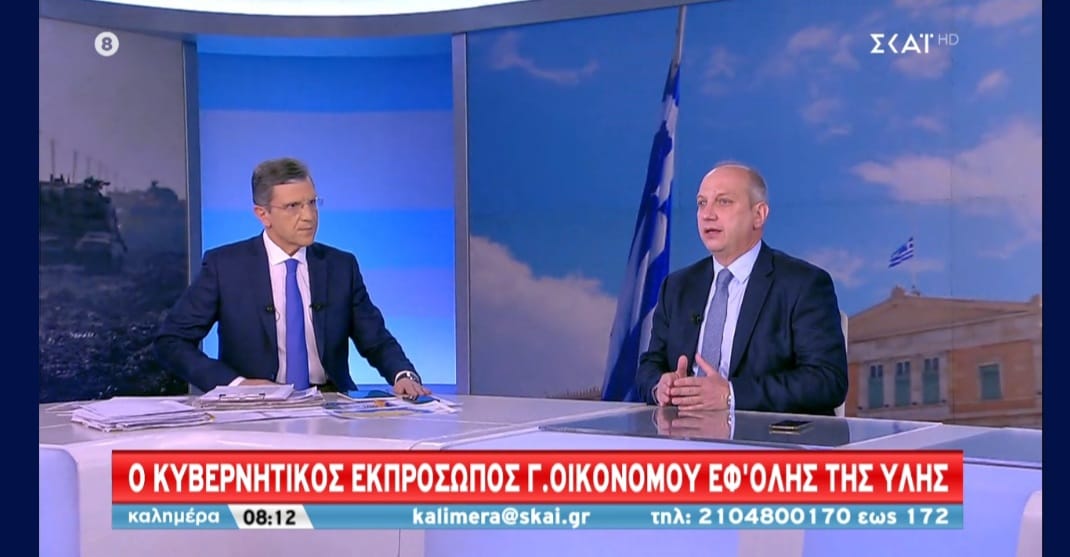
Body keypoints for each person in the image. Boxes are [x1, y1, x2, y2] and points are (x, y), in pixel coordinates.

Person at [154, 157, 430, 398]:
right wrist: (236, 385)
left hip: (329, 402)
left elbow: (376, 339)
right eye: (293, 206)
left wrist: (403, 374)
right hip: (254, 407)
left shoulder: (340, 266)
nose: (308, 216)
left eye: (312, 203)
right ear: (263, 214)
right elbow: (171, 342)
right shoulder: (224, 266)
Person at [636, 162, 847, 415]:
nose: (707, 214)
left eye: (723, 202)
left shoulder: (803, 284)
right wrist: (660, 386)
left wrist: (730, 395)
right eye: (702, 203)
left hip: (764, 436)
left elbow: (827, 381)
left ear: (759, 215)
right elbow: (650, 365)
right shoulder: (678, 286)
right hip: (684, 432)